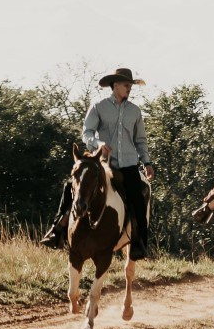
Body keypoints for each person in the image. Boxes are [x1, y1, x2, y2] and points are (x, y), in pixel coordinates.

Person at [41, 67, 152, 256]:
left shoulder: (135, 111)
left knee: (138, 197)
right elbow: (87, 133)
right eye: (126, 85)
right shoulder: (98, 107)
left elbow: (140, 140)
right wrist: (98, 143)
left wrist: (147, 163)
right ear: (115, 85)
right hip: (103, 163)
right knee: (70, 187)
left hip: (128, 164)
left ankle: (139, 243)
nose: (129, 88)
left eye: (130, 85)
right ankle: (57, 229)